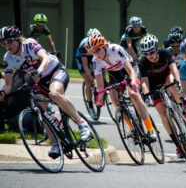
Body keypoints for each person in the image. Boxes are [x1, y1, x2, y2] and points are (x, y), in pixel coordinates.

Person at [0, 25, 90, 157]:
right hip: (39, 80)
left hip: (55, 71)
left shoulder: (29, 44)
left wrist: (40, 71)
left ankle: (82, 124)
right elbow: (8, 84)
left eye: (9, 41)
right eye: (3, 43)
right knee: (40, 110)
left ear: (18, 39)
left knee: (54, 94)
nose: (7, 45)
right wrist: (3, 92)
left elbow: (46, 58)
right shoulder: (8, 58)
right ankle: (55, 144)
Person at [85, 33, 156, 140]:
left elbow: (131, 70)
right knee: (114, 99)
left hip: (129, 69)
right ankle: (133, 130)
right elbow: (100, 85)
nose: (96, 54)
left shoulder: (115, 49)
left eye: (97, 50)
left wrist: (133, 82)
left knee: (133, 94)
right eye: (93, 52)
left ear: (104, 45)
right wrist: (99, 98)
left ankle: (150, 129)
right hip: (115, 74)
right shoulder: (96, 61)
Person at [138, 34, 186, 158]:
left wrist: (178, 81)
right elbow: (144, 83)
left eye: (152, 52)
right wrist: (146, 95)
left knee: (171, 84)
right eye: (146, 53)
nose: (150, 55)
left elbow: (173, 69)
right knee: (162, 113)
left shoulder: (164, 52)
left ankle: (184, 108)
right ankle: (178, 144)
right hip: (154, 85)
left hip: (167, 77)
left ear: (157, 49)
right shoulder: (143, 62)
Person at [75, 28, 101, 119]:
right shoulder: (83, 45)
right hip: (82, 59)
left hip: (93, 56)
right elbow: (85, 65)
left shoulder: (100, 42)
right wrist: (91, 77)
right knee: (88, 81)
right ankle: (90, 105)